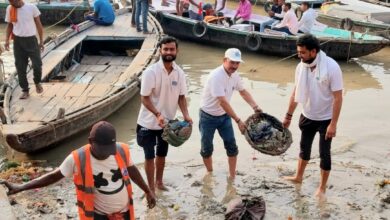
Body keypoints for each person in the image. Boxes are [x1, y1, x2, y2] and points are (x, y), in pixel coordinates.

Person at [0, 121, 156, 219]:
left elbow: (132, 170)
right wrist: (20, 187)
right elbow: (53, 177)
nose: (107, 153)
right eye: (103, 149)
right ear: (90, 142)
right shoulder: (77, 158)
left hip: (124, 213)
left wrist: (148, 190)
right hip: (97, 216)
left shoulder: (120, 150)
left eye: (110, 148)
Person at [282, 34, 343, 199]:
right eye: (298, 51)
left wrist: (333, 124)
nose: (299, 55)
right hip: (307, 114)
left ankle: (322, 188)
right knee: (304, 148)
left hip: (326, 118)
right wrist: (288, 116)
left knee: (325, 153)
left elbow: (338, 97)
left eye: (302, 52)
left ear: (313, 51)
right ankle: (298, 177)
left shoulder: (332, 67)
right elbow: (295, 92)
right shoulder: (301, 66)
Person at [136, 36, 192, 193]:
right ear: (160, 51)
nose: (169, 52)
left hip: (168, 124)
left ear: (177, 51)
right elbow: (144, 98)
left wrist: (186, 115)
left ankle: (159, 182)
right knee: (149, 156)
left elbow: (181, 97)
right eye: (165, 49)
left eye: (172, 49)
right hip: (148, 122)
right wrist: (157, 114)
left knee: (161, 153)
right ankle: (151, 188)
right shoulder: (151, 72)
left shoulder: (180, 73)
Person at [199, 48, 262, 180]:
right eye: (232, 62)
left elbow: (243, 92)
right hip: (207, 117)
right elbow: (222, 101)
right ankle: (210, 173)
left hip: (224, 116)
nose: (234, 66)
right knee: (207, 148)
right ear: (224, 60)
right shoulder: (216, 76)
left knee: (232, 146)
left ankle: (232, 177)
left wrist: (255, 107)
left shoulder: (235, 75)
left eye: (237, 63)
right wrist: (238, 120)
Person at [4, 0, 44, 99]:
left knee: (37, 64)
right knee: (20, 67)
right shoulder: (10, 8)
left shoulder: (31, 7)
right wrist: (6, 40)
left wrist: (41, 41)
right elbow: (9, 25)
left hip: (31, 40)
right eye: (10, 2)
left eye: (13, 2)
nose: (12, 4)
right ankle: (25, 90)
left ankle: (37, 82)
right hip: (18, 41)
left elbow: (39, 24)